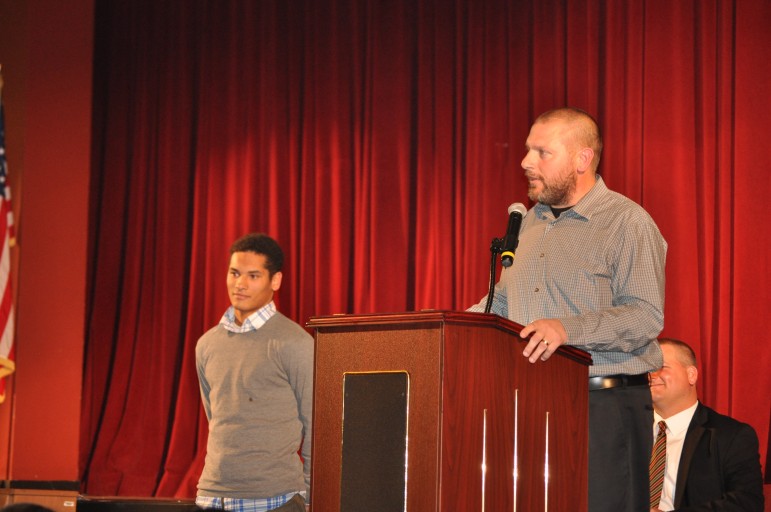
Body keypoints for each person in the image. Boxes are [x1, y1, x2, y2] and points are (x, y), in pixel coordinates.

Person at [468, 107, 667, 511]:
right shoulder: (528, 224)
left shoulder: (627, 223)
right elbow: (502, 303)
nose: (525, 162)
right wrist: (447, 327)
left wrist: (566, 329)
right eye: (527, 150)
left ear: (582, 159)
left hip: (603, 409)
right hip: (528, 403)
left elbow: (646, 315)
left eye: (542, 152)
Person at [195, 233, 313, 512]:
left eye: (253, 276)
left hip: (275, 499)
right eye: (234, 273)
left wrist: (310, 496)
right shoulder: (207, 344)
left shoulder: (295, 342)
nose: (240, 284)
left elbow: (317, 425)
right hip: (211, 496)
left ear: (275, 281)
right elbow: (216, 416)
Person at [648, 338, 764, 511]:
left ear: (691, 375)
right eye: (647, 368)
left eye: (661, 366)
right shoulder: (627, 432)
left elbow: (747, 503)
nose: (651, 375)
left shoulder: (731, 436)